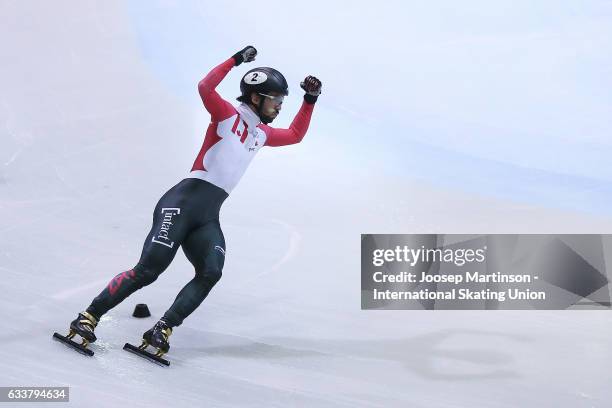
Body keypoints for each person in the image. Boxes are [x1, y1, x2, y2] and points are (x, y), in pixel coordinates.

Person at [64, 46, 322, 356]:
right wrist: (236, 60)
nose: (280, 106)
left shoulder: (261, 134)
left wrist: (310, 100)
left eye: (282, 102)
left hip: (207, 216)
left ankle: (162, 329)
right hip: (181, 203)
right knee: (149, 270)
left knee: (211, 271)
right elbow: (204, 87)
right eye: (276, 100)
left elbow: (295, 134)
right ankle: (88, 317)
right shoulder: (227, 114)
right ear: (256, 97)